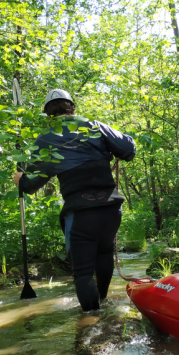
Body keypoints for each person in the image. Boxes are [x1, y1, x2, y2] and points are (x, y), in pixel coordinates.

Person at [13, 89, 136, 311]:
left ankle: (91, 320)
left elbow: (32, 185)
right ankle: (104, 304)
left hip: (80, 213)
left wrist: (20, 180)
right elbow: (128, 149)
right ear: (73, 107)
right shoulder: (95, 126)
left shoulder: (45, 140)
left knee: (82, 271)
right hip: (111, 210)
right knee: (105, 252)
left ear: (48, 115)